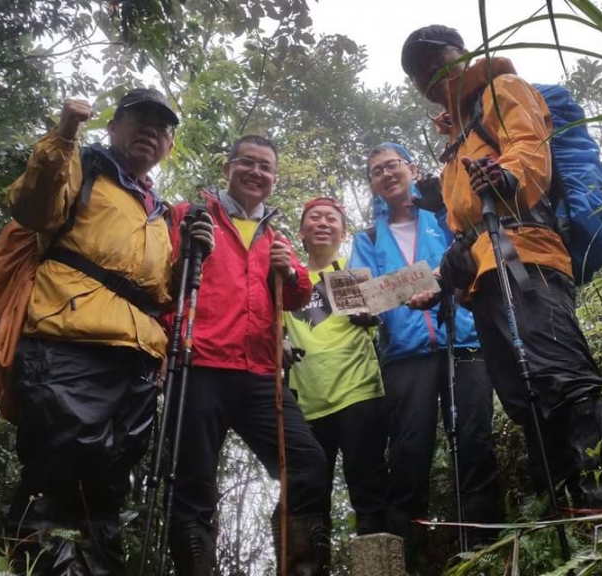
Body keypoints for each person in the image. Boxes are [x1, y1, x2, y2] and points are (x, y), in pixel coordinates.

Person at [400, 25, 602, 509]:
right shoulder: (456, 139)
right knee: (522, 399)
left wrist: (507, 176)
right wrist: (443, 278)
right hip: (484, 279)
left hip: (527, 258)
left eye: (438, 62)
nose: (431, 77)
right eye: (419, 74)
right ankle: (563, 509)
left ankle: (601, 504)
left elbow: (529, 151)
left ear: (463, 55)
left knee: (561, 377)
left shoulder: (502, 89)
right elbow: (466, 229)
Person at [4, 88, 214, 575]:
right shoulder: (83, 170)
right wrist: (64, 135)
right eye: (139, 119)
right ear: (114, 126)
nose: (151, 132)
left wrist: (188, 257)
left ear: (168, 146)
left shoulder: (155, 210)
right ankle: (40, 567)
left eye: (161, 128)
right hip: (68, 341)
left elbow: (161, 292)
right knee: (58, 470)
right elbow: (32, 208)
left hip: (137, 357)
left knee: (109, 482)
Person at [165, 136, 331, 576]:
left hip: (260, 373)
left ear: (274, 179)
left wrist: (290, 270)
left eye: (266, 168)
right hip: (199, 365)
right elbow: (162, 282)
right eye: (247, 163)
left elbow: (297, 297)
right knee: (193, 480)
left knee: (308, 463)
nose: (257, 173)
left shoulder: (274, 235)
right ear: (228, 169)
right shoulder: (191, 216)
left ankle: (298, 568)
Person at [349, 142, 500, 572]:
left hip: (464, 341)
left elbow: (474, 255)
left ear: (411, 168)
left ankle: (485, 551)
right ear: (373, 183)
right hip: (405, 356)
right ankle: (408, 560)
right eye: (376, 170)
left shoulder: (444, 216)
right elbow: (359, 295)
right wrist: (363, 310)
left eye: (392, 165)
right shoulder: (369, 238)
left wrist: (442, 280)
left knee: (474, 443)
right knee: (409, 453)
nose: (386, 174)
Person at [283, 196, 389, 539]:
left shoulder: (353, 271)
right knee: (308, 495)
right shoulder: (287, 280)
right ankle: (310, 563)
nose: (323, 223)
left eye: (332, 218)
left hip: (359, 392)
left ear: (343, 233)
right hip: (308, 403)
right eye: (314, 218)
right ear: (301, 231)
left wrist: (371, 316)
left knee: (369, 486)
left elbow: (382, 319)